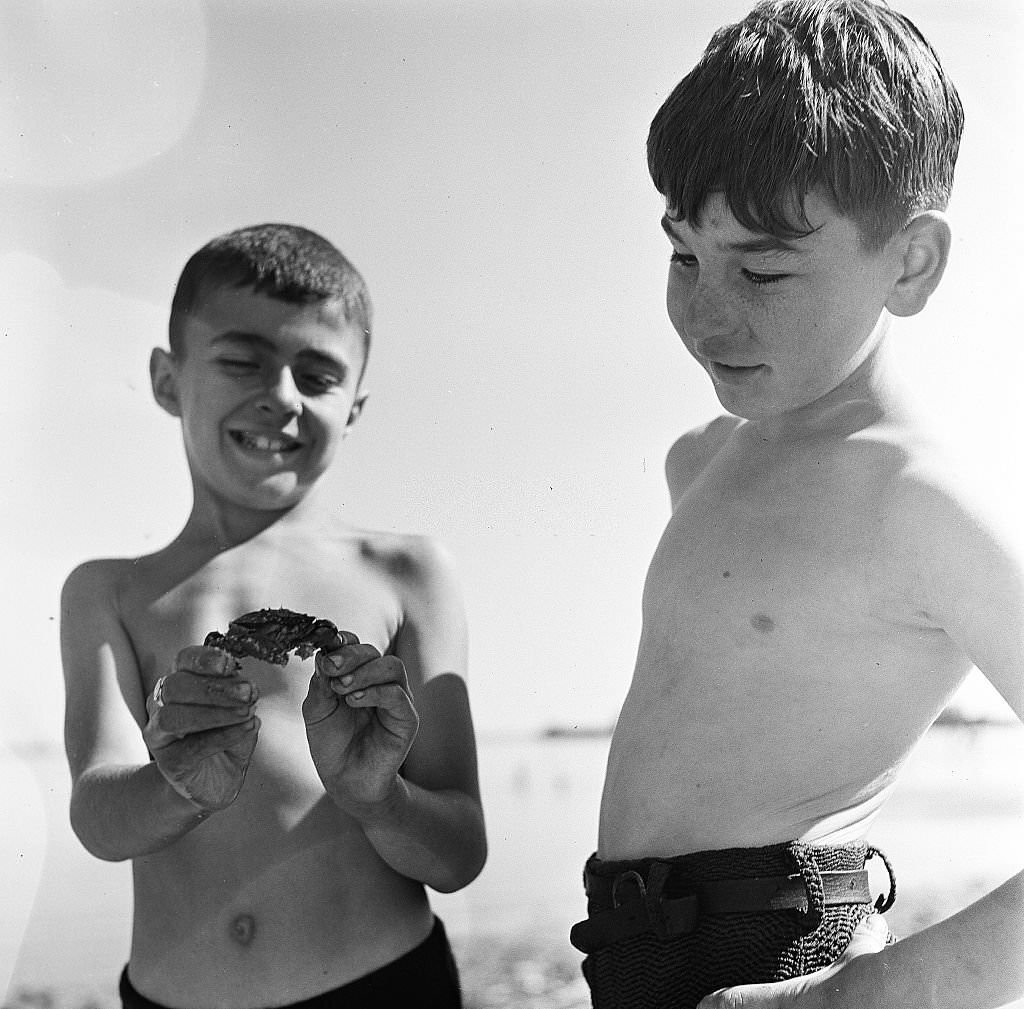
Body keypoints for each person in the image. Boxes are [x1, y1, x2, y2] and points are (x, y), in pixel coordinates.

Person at [570, 2, 1023, 1007]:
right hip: (634, 951)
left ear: (908, 262)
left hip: (778, 958)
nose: (705, 310)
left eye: (763, 266)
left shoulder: (916, 501)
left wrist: (852, 999)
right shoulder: (699, 462)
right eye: (684, 254)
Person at [60, 224, 487, 1009]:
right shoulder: (109, 591)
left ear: (355, 406)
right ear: (166, 379)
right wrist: (175, 787)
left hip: (382, 984)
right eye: (241, 359)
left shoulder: (405, 573)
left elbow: (459, 852)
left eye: (318, 374)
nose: (282, 395)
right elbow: (97, 813)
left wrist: (376, 796)